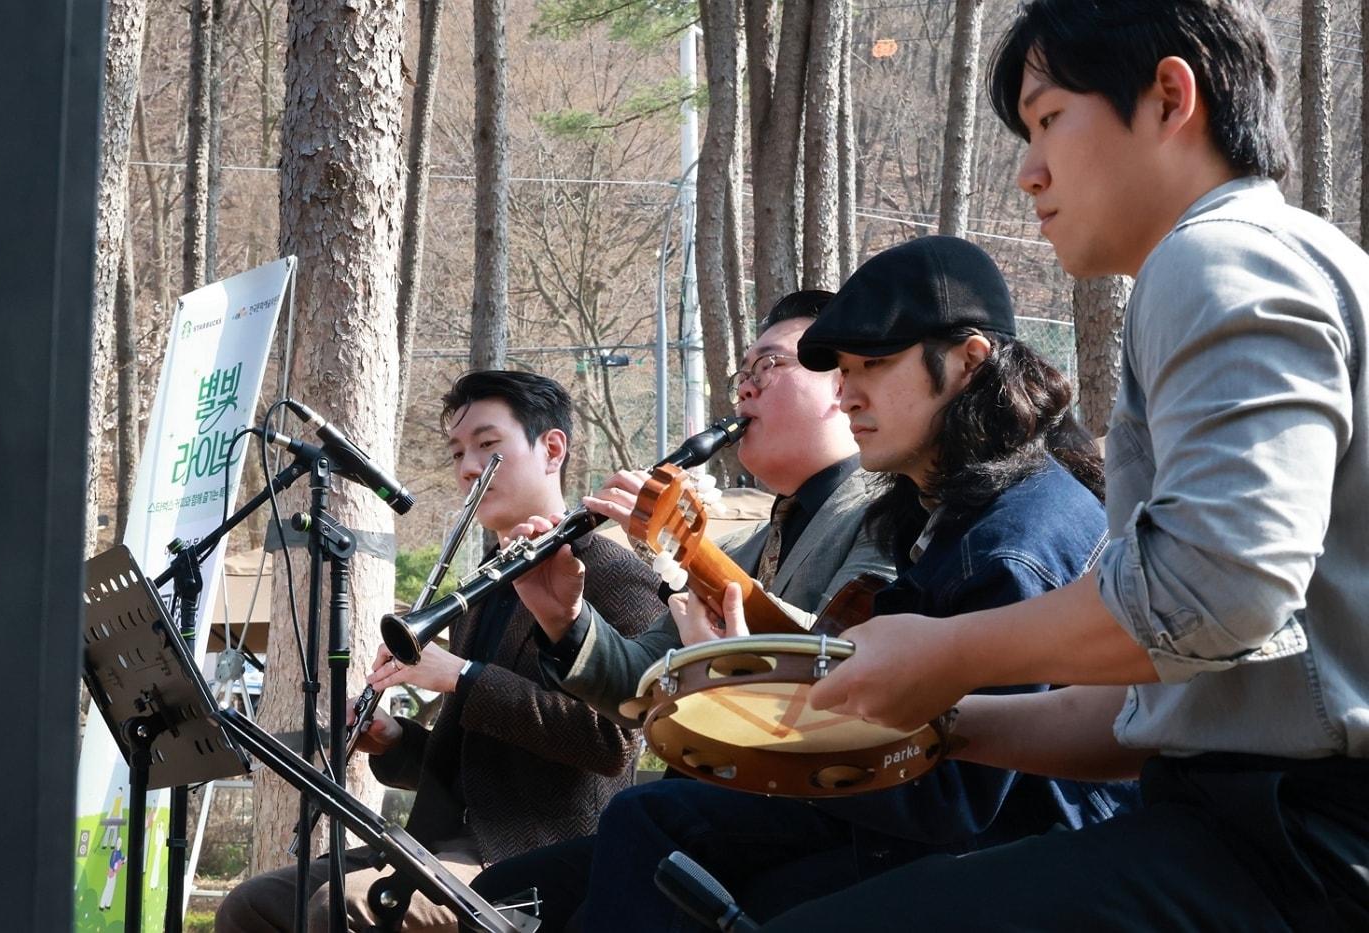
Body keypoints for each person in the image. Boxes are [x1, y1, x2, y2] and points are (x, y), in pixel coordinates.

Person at [759, 2, 1369, 930]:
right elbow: (1165, 700)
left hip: (1301, 850)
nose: (1028, 170)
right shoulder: (1276, 261)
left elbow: (1219, 588)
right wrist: (938, 717)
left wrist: (952, 650)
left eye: (1048, 119)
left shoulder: (1220, 258)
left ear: (1171, 98)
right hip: (1259, 832)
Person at [468, 291, 896, 929]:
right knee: (507, 890)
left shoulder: (886, 511)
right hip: (720, 799)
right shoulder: (751, 542)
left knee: (633, 832)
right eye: (740, 375)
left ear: (844, 387)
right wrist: (568, 620)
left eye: (767, 368)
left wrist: (691, 556)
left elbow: (848, 648)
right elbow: (644, 681)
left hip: (820, 806)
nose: (743, 392)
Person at [216, 371, 664, 933]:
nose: (468, 468)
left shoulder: (616, 576)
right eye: (457, 453)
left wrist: (464, 677)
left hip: (539, 850)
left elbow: (612, 743)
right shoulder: (484, 588)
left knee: (340, 910)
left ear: (552, 449)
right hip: (437, 841)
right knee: (252, 905)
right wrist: (396, 740)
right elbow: (476, 762)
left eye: (488, 445)